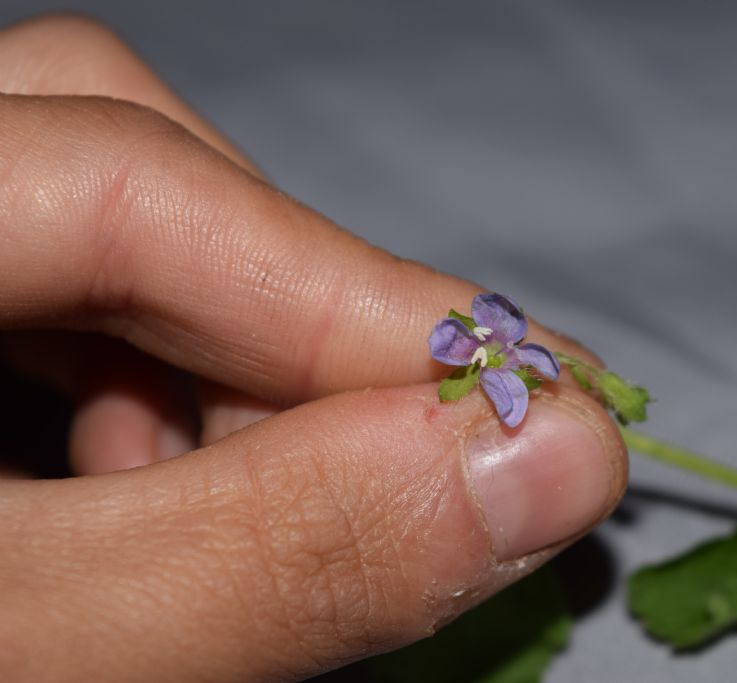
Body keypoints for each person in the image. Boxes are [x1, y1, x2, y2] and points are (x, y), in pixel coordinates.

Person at [0, 14, 627, 682]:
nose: (489, 358)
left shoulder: (504, 361)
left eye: (496, 355)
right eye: (483, 351)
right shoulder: (475, 352)